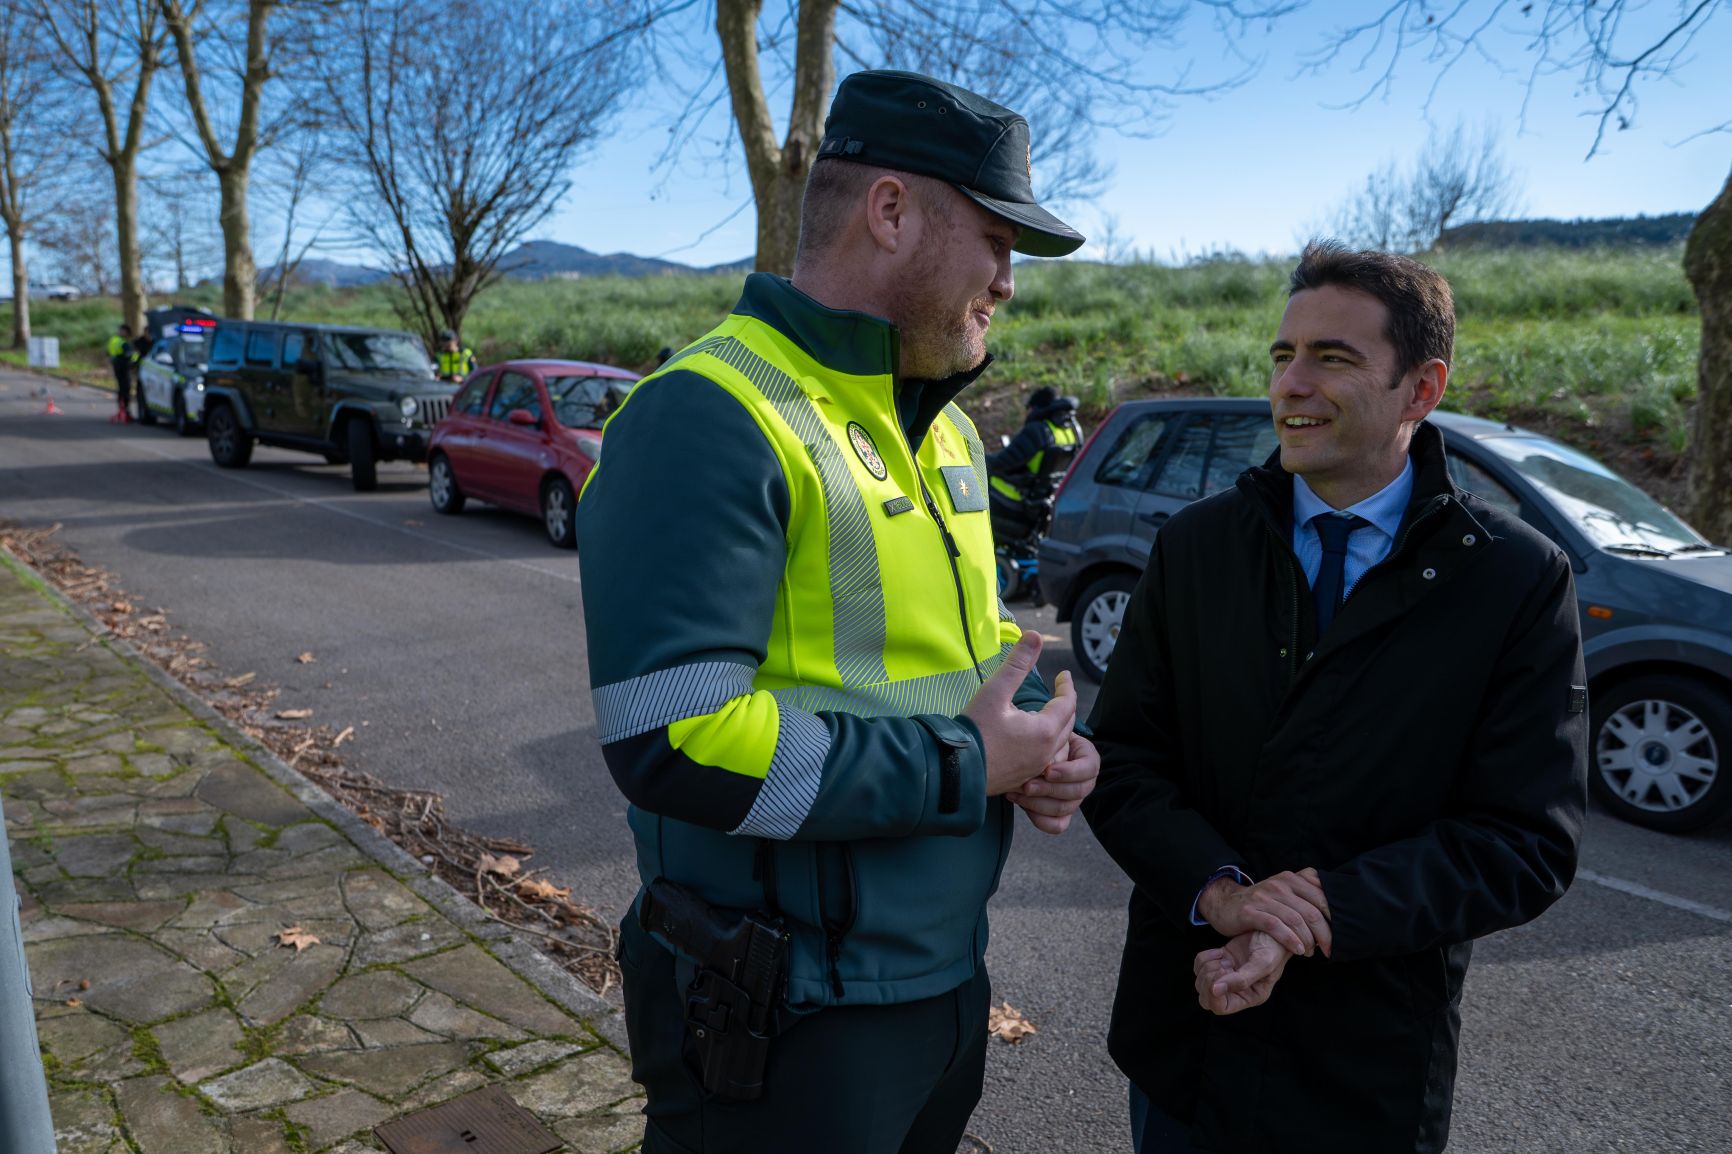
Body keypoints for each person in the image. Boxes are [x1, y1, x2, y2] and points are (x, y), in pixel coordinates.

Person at [575, 70, 1097, 1154]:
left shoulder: (943, 427)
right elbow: (675, 737)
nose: (1007, 281)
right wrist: (968, 764)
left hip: (939, 984)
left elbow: (945, 655)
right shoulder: (708, 412)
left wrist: (1037, 733)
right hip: (785, 1012)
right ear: (891, 211)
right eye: (997, 240)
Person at [1081, 241, 1588, 1154]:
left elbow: (1524, 841)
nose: (1293, 385)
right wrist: (1224, 894)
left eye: (1334, 358)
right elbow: (1124, 762)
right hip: (1186, 1043)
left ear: (1421, 390)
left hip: (1367, 1073)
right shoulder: (1197, 547)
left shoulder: (1513, 579)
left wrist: (1317, 913)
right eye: (1283, 355)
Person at [987, 384, 1082, 549]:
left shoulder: (1038, 431)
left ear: (1035, 408)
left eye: (1028, 408)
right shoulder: (1069, 432)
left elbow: (1001, 463)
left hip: (1013, 500)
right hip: (1043, 505)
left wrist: (979, 456)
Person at [106, 323, 136, 423]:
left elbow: (109, 353)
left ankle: (121, 410)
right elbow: (130, 356)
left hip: (117, 367)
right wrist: (134, 362)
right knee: (125, 389)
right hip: (123, 368)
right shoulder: (123, 343)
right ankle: (125, 411)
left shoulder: (113, 340)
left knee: (121, 389)